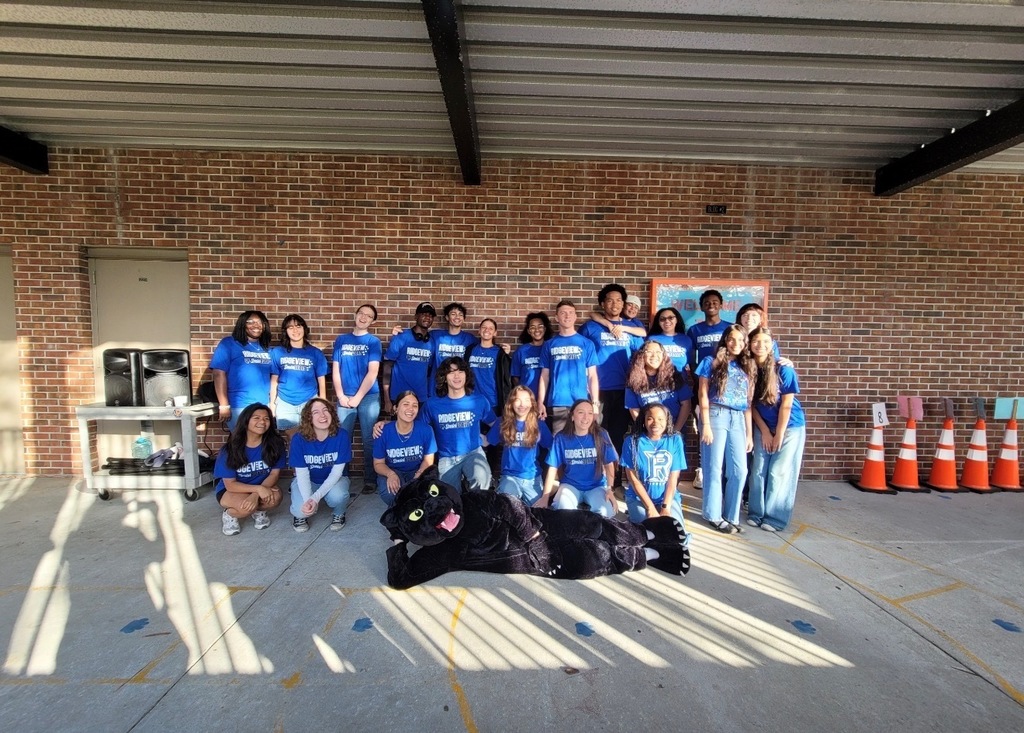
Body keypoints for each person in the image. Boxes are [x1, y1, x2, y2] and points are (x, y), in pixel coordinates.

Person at [696, 325, 755, 533]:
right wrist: (706, 425)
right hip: (716, 414)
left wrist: (749, 433)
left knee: (740, 470)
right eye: (732, 339)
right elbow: (702, 394)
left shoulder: (747, 366)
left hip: (738, 418)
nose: (736, 344)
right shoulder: (710, 362)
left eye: (741, 340)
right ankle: (712, 514)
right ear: (725, 340)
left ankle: (731, 515)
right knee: (714, 467)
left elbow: (748, 402)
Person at [747, 327, 806, 532]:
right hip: (762, 424)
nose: (760, 345)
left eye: (765, 341)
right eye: (756, 341)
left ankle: (775, 518)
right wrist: (764, 431)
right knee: (758, 470)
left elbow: (787, 405)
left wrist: (779, 433)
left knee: (779, 472)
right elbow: (750, 405)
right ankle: (756, 513)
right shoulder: (749, 369)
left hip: (789, 427)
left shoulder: (784, 369)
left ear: (772, 344)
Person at [579, 283, 644, 460]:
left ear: (623, 304)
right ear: (602, 304)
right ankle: (595, 478)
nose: (614, 304)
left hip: (624, 391)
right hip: (597, 390)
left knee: (617, 435)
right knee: (594, 433)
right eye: (609, 300)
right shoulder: (590, 327)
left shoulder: (632, 328)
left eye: (618, 300)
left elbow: (640, 358)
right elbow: (580, 356)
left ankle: (613, 481)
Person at [422, 357, 497, 491]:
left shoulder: (479, 400)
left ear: (466, 375)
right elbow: (416, 429)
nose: (456, 376)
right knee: (449, 497)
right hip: (447, 457)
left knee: (481, 480)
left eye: (460, 371)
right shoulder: (432, 404)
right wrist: (386, 423)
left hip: (473, 453)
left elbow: (496, 424)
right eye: (451, 372)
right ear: (444, 377)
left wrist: (489, 439)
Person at [621, 403, 689, 545]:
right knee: (646, 537)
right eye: (650, 418)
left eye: (660, 419)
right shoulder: (632, 442)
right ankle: (634, 518)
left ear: (667, 421)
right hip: (639, 498)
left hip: (667, 499)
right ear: (644, 421)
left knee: (677, 537)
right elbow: (633, 479)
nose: (655, 423)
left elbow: (673, 478)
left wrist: (666, 507)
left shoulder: (675, 440)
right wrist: (650, 508)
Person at [332, 303, 383, 494]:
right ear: (355, 315)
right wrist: (340, 395)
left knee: (369, 439)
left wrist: (357, 398)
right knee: (342, 438)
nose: (363, 317)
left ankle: (370, 479)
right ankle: (341, 478)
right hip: (344, 397)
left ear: (373, 321)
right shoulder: (341, 340)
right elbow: (335, 369)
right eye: (361, 313)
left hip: (368, 396)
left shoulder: (373, 342)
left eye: (368, 316)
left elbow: (373, 373)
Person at [536, 399, 618, 517]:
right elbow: (553, 467)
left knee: (607, 512)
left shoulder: (601, 435)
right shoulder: (561, 438)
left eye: (590, 413)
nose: (586, 417)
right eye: (581, 412)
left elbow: (609, 464)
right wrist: (545, 496)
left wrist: (609, 489)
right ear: (572, 416)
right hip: (570, 485)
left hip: (596, 486)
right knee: (562, 509)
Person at [213, 403, 284, 536]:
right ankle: (230, 514)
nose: (262, 422)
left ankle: (258, 511)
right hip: (233, 489)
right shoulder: (230, 449)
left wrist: (256, 494)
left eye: (266, 418)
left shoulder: (275, 444)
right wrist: (258, 490)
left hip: (261, 485)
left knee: (275, 498)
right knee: (245, 509)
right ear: (246, 421)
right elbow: (230, 485)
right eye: (256, 418)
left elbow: (274, 474)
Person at [288, 398, 352, 532]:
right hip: (309, 480)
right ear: (308, 418)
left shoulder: (342, 435)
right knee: (302, 510)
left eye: (325, 410)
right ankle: (300, 515)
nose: (322, 415)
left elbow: (336, 473)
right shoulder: (298, 439)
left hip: (335, 480)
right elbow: (302, 473)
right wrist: (308, 501)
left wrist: (315, 498)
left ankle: (339, 513)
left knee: (338, 496)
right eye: (315, 412)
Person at [537, 299, 600, 435]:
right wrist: (540, 402)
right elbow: (544, 376)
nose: (567, 315)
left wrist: (595, 402)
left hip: (581, 402)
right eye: (563, 313)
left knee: (581, 441)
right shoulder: (549, 344)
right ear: (556, 317)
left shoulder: (587, 344)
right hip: (557, 402)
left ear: (575, 317)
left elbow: (593, 375)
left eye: (571, 313)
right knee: (558, 442)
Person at [486, 385, 552, 505]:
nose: (522, 405)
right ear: (511, 403)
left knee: (538, 515)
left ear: (532, 403)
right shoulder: (503, 422)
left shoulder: (539, 424)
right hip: (509, 477)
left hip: (532, 478)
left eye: (527, 400)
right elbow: (487, 441)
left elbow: (551, 447)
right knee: (507, 508)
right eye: (518, 400)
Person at [373, 390, 437, 507]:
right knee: (391, 493)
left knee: (424, 492)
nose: (410, 409)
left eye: (415, 405)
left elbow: (428, 461)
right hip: (394, 470)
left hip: (416, 470)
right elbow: (378, 464)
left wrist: (420, 475)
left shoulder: (426, 430)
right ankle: (398, 509)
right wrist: (390, 474)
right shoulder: (382, 431)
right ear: (395, 408)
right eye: (405, 404)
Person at [210, 310, 272, 430]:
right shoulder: (229, 343)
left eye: (260, 322)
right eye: (250, 322)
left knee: (259, 444)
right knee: (242, 443)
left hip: (263, 405)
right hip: (239, 405)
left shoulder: (267, 349)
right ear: (242, 324)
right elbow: (218, 374)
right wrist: (224, 405)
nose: (256, 325)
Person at [268, 314, 328, 432]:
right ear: (286, 331)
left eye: (298, 326)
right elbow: (274, 380)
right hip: (285, 401)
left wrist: (323, 402)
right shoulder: (277, 352)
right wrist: (272, 403)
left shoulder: (315, 353)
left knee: (311, 436)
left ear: (304, 329)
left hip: (309, 400)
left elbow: (321, 380)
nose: (295, 330)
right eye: (290, 327)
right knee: (292, 438)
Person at [624, 340, 692, 432]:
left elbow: (686, 404)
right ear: (642, 355)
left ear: (663, 355)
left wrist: (675, 432)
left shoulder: (674, 376)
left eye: (658, 352)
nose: (654, 355)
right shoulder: (634, 380)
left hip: (675, 430)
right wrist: (647, 432)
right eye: (650, 352)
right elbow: (634, 409)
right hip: (650, 433)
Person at [382, 302, 436, 413]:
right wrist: (387, 400)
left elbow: (428, 370)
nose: (427, 317)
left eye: (430, 315)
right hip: (399, 395)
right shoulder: (401, 337)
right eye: (424, 314)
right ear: (416, 316)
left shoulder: (431, 342)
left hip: (421, 397)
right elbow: (387, 368)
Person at [511, 311, 552, 399]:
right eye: (533, 327)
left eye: (540, 326)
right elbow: (515, 377)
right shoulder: (521, 351)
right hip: (527, 400)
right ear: (529, 331)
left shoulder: (551, 349)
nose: (537, 330)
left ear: (545, 329)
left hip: (547, 399)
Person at [686, 289, 731, 371]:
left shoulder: (730, 327)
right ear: (702, 308)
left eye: (715, 303)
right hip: (704, 375)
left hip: (727, 373)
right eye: (707, 303)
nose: (711, 305)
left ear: (721, 306)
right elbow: (692, 359)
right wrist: (696, 376)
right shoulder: (694, 330)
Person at [429, 302, 477, 378]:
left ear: (463, 319)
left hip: (458, 383)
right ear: (447, 317)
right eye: (453, 314)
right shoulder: (435, 335)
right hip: (437, 384)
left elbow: (485, 348)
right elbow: (417, 340)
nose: (457, 317)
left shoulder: (470, 339)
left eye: (460, 315)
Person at [647, 306, 693, 373]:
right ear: (659, 322)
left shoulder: (686, 339)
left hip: (681, 381)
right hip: (658, 381)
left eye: (671, 318)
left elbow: (689, 363)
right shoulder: (652, 339)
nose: (667, 321)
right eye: (662, 319)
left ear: (676, 320)